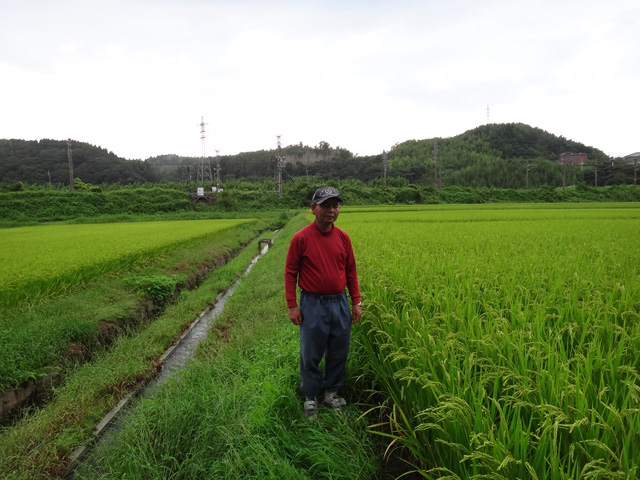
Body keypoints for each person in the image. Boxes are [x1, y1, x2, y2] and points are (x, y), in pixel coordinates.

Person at [284, 186, 362, 420]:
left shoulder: (343, 238)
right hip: (312, 303)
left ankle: (331, 393)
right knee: (311, 352)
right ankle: (310, 396)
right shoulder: (301, 238)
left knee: (339, 350)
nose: (331, 210)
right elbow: (290, 273)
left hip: (339, 303)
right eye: (326, 205)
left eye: (335, 205)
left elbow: (351, 271)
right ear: (313, 209)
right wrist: (292, 305)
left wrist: (356, 301)